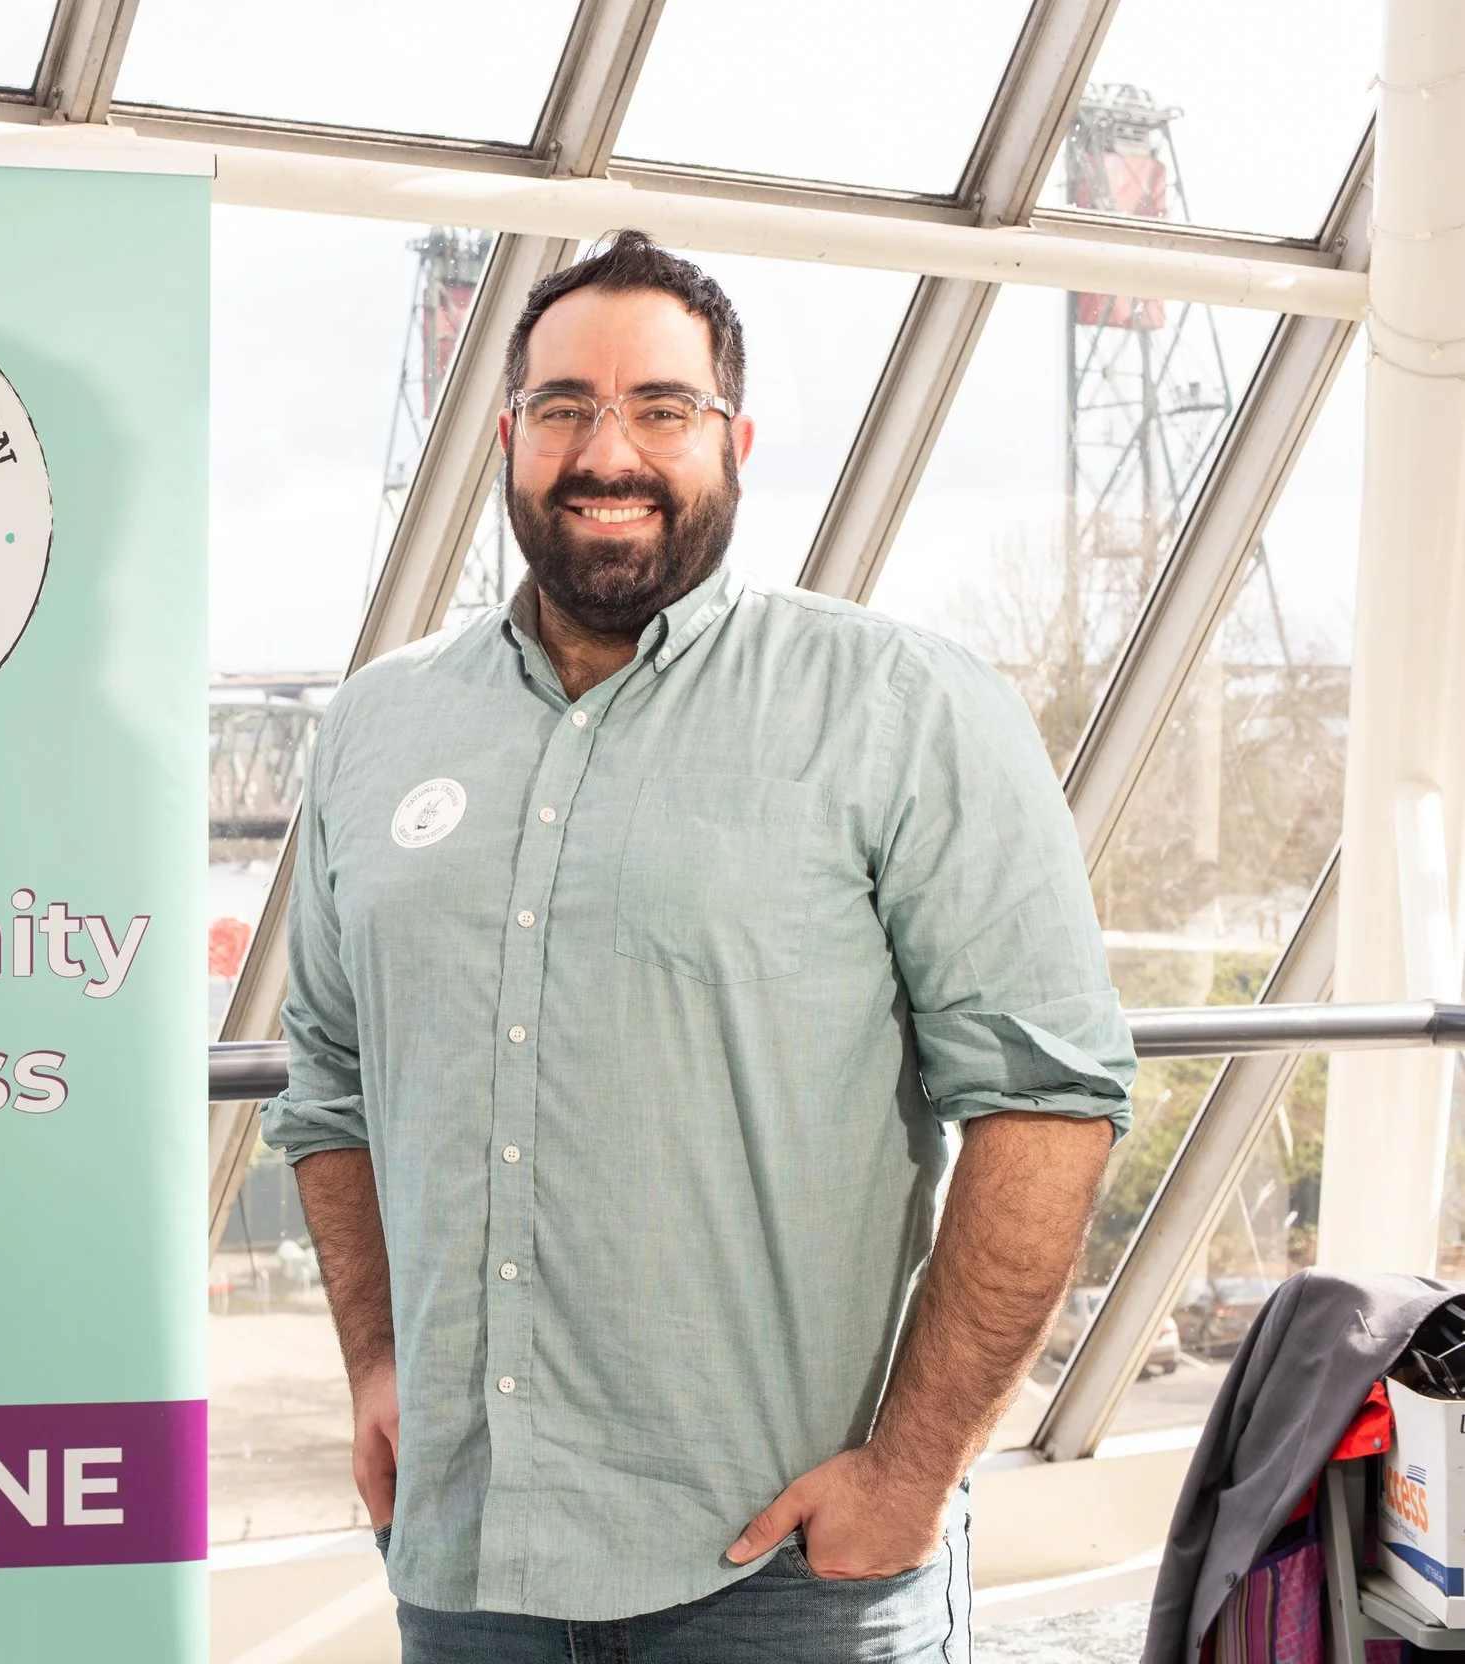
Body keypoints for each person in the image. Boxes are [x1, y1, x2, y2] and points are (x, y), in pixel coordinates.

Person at [260, 229, 1136, 1662]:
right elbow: (332, 1082)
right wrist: (373, 1357)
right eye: (564, 408)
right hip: (466, 1555)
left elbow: (1047, 1096)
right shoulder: (377, 726)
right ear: (506, 436)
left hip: (790, 1574)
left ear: (736, 439)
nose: (609, 451)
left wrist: (911, 1478)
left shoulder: (903, 706)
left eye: (661, 408)